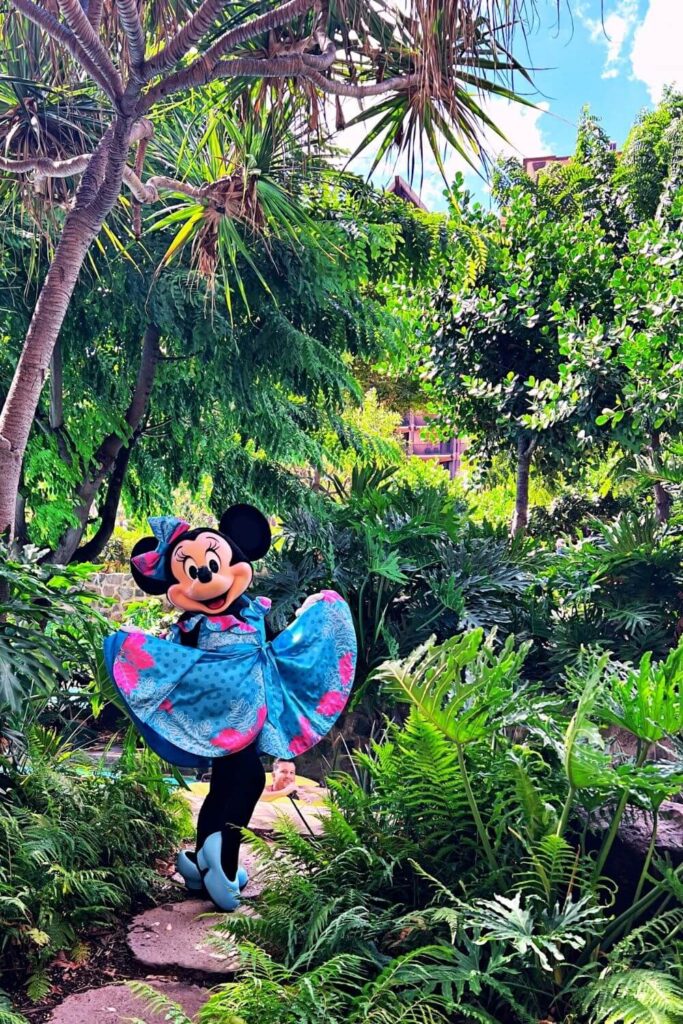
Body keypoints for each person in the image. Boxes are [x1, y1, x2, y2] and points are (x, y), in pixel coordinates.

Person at [103, 505, 356, 911]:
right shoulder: (194, 625)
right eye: (190, 571)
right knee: (249, 781)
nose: (205, 576)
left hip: (244, 711)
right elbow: (178, 664)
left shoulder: (249, 611)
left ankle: (205, 860)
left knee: (225, 784)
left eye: (213, 561)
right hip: (223, 717)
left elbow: (270, 652)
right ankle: (221, 864)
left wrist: (313, 617)